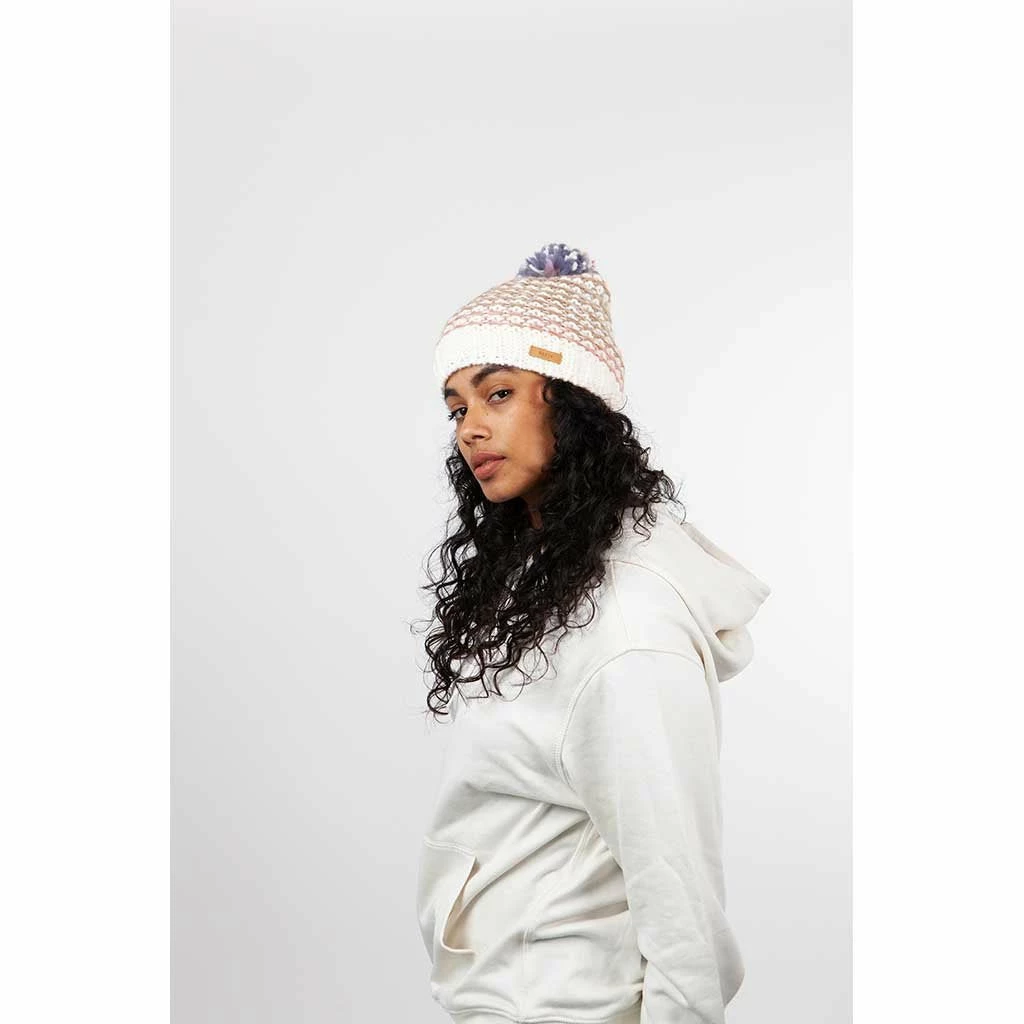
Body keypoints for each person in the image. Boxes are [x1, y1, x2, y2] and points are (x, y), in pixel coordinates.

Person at [413, 242, 771, 1024]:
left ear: (573, 405)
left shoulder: (626, 619)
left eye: (498, 393)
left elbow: (677, 887)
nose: (470, 429)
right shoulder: (544, 579)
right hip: (514, 993)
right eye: (457, 408)